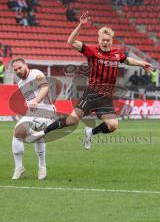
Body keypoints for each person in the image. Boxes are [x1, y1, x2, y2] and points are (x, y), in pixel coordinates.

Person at [30, 12, 153, 149]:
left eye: (108, 40)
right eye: (103, 40)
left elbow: (127, 60)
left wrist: (142, 64)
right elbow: (70, 41)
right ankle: (41, 132)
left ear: (111, 40)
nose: (105, 42)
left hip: (106, 98)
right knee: (72, 121)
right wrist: (80, 25)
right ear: (99, 40)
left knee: (113, 125)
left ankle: (90, 132)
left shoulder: (117, 53)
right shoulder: (92, 51)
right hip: (91, 94)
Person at [11, 58, 55, 180]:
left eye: (20, 67)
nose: (18, 71)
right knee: (17, 132)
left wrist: (36, 101)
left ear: (25, 65)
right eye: (15, 70)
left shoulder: (36, 73)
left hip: (47, 111)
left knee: (37, 133)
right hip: (33, 113)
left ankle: (42, 166)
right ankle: (19, 168)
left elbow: (45, 88)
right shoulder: (20, 83)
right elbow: (30, 100)